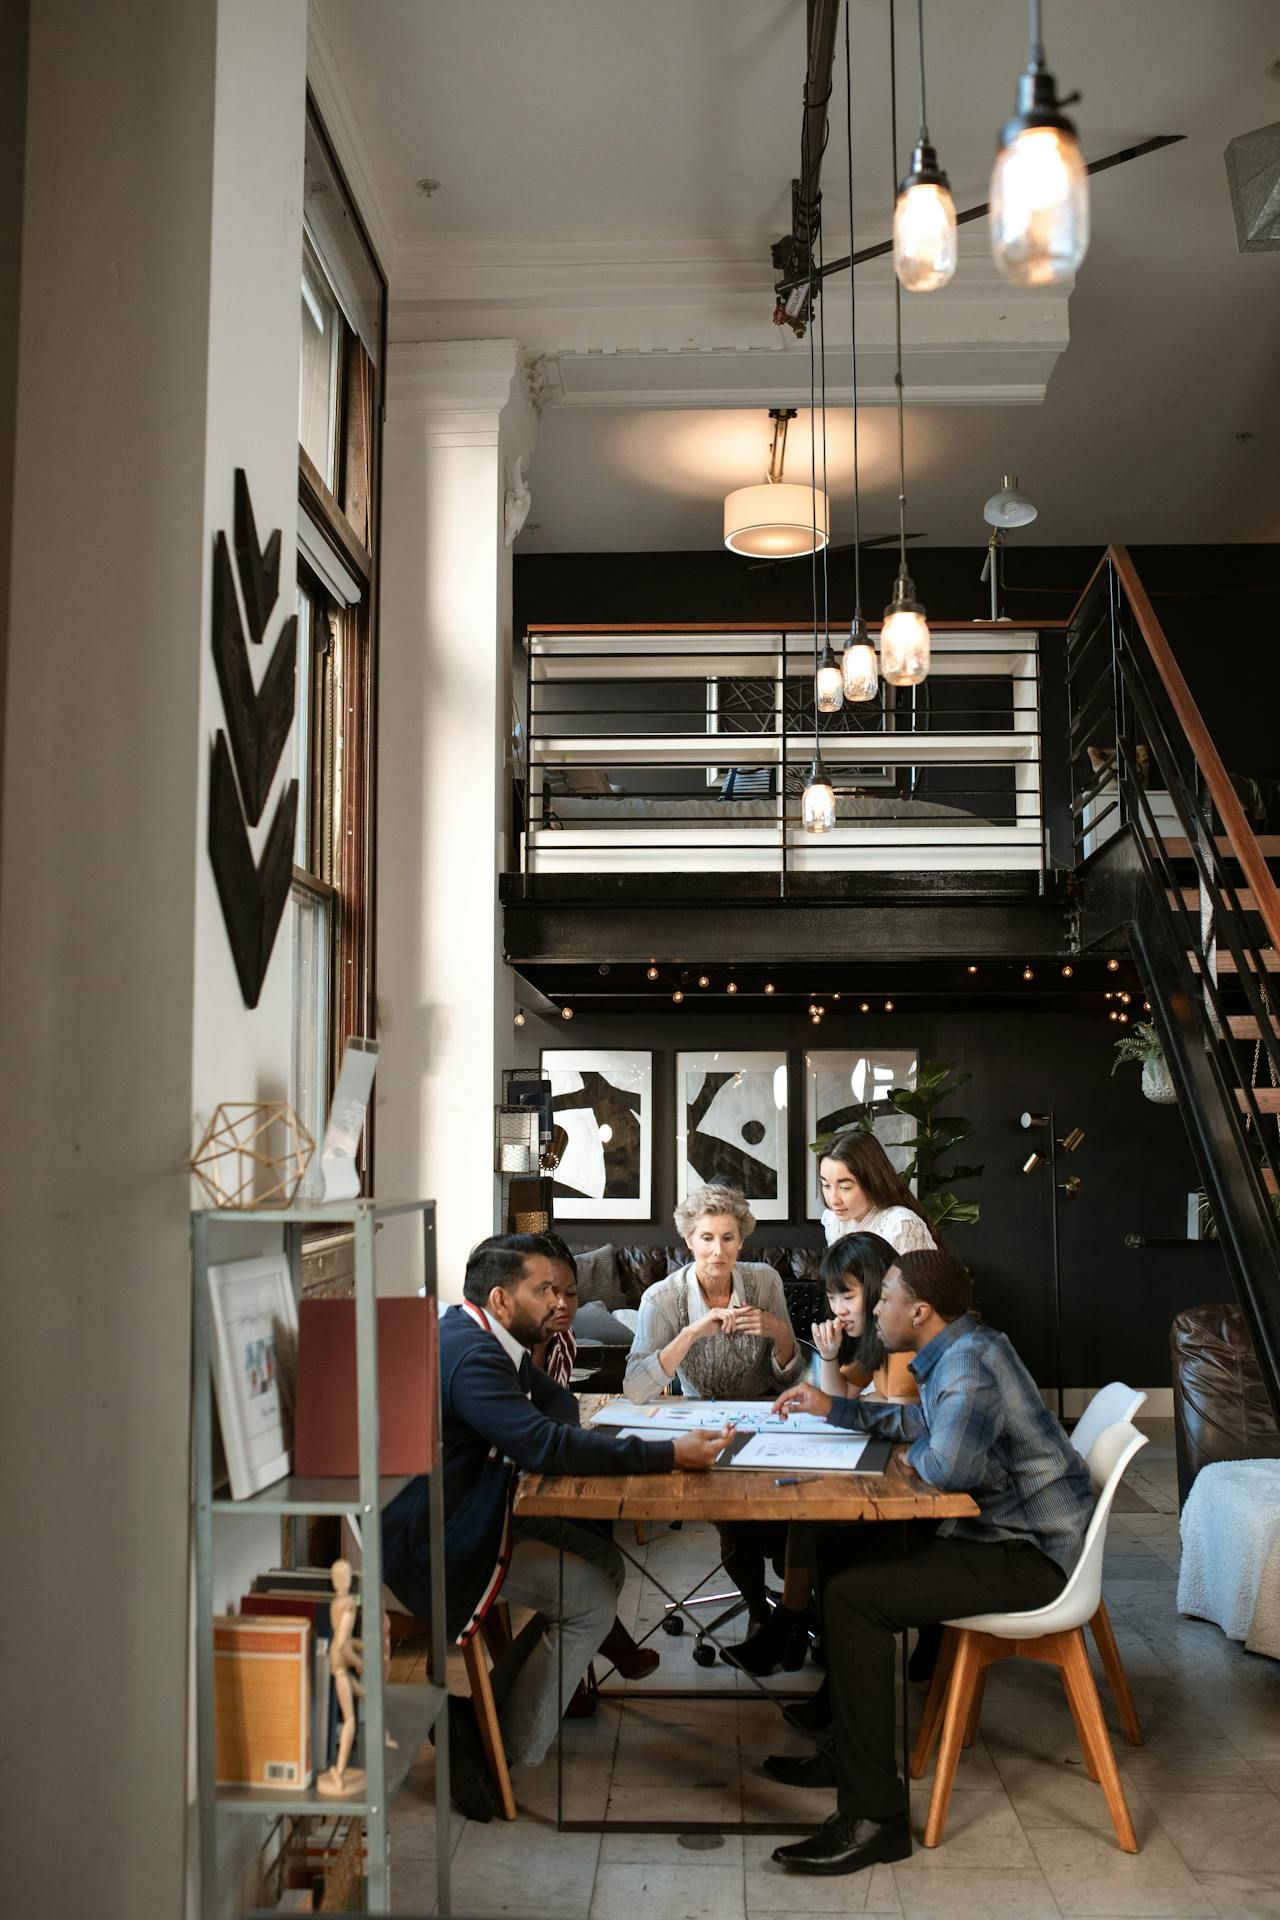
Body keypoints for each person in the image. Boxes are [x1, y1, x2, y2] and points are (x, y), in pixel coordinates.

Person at [764, 1248, 1093, 1878]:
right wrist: (833, 1407)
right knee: (839, 1547)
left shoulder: (969, 1366)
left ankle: (875, 1820)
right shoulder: (963, 1349)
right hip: (999, 1535)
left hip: (1028, 1556)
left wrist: (919, 1456)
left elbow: (949, 1469)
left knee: (854, 1600)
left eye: (885, 1296)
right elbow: (924, 1421)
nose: (876, 1307)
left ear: (920, 1309)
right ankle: (846, 1746)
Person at [381, 1235, 730, 1822]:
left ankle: (484, 1714)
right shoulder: (473, 1355)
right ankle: (505, 1755)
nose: (557, 1302)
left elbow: (558, 1408)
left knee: (606, 1562)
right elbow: (544, 1443)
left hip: (474, 1515)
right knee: (589, 1597)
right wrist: (669, 1455)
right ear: (500, 1296)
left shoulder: (490, 1337)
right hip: (439, 1543)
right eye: (541, 1289)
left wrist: (539, 1416)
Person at [723, 1231, 904, 1677]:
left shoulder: (900, 1346)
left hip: (906, 1488)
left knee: (811, 1519)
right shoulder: (875, 1343)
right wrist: (826, 1355)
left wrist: (858, 1406)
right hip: (885, 1467)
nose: (838, 1308)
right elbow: (838, 1402)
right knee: (805, 1517)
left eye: (848, 1295)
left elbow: (886, 1415)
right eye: (831, 1296)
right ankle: (795, 1622)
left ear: (880, 1288)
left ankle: (794, 1624)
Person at [624, 1184, 803, 1629]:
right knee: (738, 1523)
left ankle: (797, 1609)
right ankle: (761, 1615)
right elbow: (634, 1388)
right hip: (701, 1423)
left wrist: (779, 1333)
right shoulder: (661, 1298)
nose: (717, 1251)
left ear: (741, 1241)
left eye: (727, 1238)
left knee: (794, 1525)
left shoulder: (764, 1281)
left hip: (766, 1418)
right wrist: (689, 1336)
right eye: (706, 1238)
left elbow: (791, 1378)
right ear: (689, 1241)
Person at [818, 1131, 937, 1255]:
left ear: (871, 1180)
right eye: (826, 1185)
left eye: (845, 1187)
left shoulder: (900, 1226)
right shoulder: (834, 1221)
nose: (833, 1200)